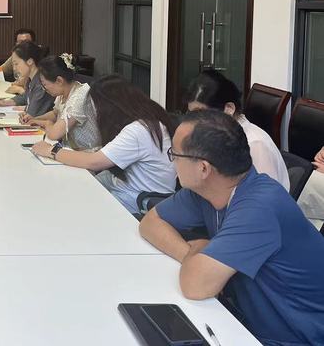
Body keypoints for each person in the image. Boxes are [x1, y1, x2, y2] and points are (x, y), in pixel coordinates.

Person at [139, 110, 324, 346]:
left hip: (296, 338)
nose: (172, 161)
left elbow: (195, 285)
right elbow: (151, 222)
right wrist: (192, 254)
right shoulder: (207, 191)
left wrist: (202, 251)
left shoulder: (260, 206)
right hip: (244, 323)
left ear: (203, 169)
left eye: (174, 154)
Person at [32, 76, 176, 214]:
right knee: (74, 186)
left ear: (109, 106)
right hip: (130, 187)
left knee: (72, 198)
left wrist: (52, 151)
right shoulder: (148, 121)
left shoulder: (138, 130)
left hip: (138, 199)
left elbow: (94, 162)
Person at [185, 70, 290, 191]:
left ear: (229, 108)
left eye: (201, 113)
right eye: (192, 114)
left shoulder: (255, 145)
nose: (195, 121)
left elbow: (266, 197)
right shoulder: (217, 136)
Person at [26, 54, 101, 151]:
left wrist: (46, 123)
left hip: (88, 153)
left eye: (44, 84)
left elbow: (54, 134)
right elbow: (55, 113)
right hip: (70, 149)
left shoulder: (80, 96)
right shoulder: (64, 92)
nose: (44, 89)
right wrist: (34, 119)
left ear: (59, 81)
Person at [0, 41, 54, 117]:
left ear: (30, 61)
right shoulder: (31, 79)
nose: (14, 68)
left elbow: (33, 113)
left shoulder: (42, 83)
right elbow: (25, 97)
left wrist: (25, 110)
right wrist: (4, 103)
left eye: (16, 64)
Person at [0, 27, 36, 95]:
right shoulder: (17, 56)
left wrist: (19, 90)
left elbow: (33, 96)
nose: (23, 45)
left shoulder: (40, 60)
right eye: (20, 42)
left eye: (26, 42)